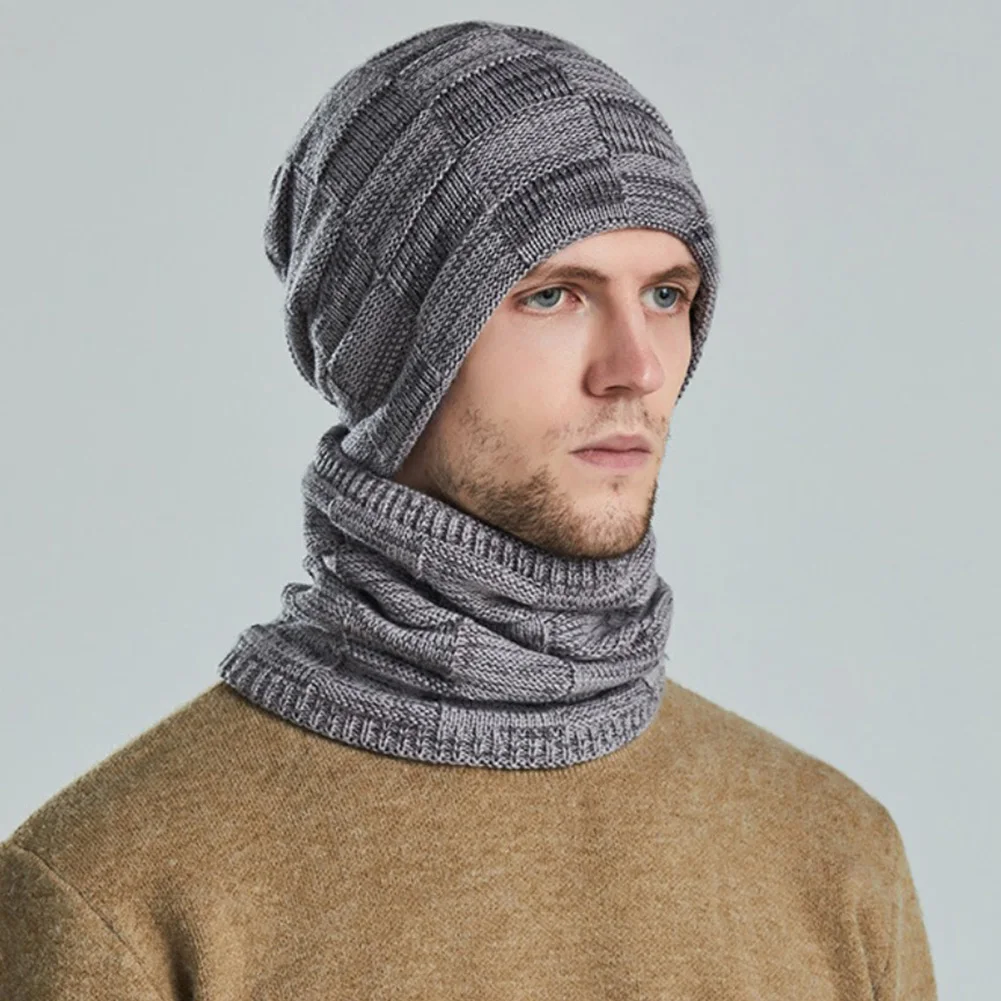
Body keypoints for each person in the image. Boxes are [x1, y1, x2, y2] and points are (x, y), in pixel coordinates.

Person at [0, 19, 937, 999]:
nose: (637, 367)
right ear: (390, 350)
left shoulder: (832, 856)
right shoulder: (116, 892)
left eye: (665, 294)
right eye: (552, 296)